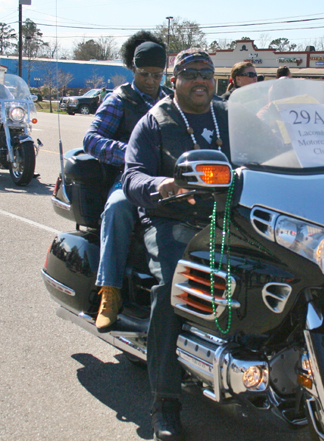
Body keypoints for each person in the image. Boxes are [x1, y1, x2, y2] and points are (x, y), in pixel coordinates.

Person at [123, 48, 228, 441]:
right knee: (174, 290)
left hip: (230, 216)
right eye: (190, 72)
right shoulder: (155, 121)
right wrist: (161, 185)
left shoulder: (231, 116)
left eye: (206, 72)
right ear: (175, 79)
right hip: (172, 219)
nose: (200, 79)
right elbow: (132, 177)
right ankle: (164, 405)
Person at [82, 31, 171, 330]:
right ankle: (110, 292)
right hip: (129, 179)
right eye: (145, 74)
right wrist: (132, 154)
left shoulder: (170, 101)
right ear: (133, 69)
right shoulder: (119, 100)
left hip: (167, 181)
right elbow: (91, 139)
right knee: (118, 209)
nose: (150, 80)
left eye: (157, 74)